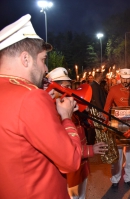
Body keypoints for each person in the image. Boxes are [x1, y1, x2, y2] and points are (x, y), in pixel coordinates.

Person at [0, 14, 82, 198]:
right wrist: (67, 117)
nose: (46, 69)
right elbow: (72, 160)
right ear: (25, 59)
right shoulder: (31, 96)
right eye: (44, 60)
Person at [46, 67, 108, 199]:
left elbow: (80, 124)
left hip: (82, 164)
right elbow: (64, 149)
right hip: (70, 170)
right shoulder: (53, 113)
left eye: (70, 86)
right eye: (66, 87)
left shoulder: (66, 107)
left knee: (82, 196)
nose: (70, 91)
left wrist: (96, 120)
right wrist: (91, 150)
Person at [103, 68, 130, 192]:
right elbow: (107, 107)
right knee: (118, 154)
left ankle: (128, 178)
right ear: (120, 77)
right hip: (117, 126)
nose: (126, 80)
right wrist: (105, 122)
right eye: (123, 77)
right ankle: (115, 179)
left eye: (128, 78)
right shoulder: (113, 89)